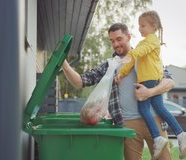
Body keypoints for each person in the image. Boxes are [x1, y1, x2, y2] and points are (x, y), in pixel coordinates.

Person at [62, 22, 174, 160]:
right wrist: (64, 63)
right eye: (112, 41)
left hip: (154, 119)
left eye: (119, 39)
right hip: (127, 123)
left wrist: (149, 93)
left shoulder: (145, 55)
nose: (115, 44)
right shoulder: (110, 65)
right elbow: (81, 81)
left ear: (128, 37)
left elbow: (169, 82)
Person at [116, 10, 186, 159]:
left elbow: (138, 53)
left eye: (143, 25)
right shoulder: (143, 42)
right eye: (139, 25)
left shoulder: (152, 40)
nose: (140, 28)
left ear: (153, 26)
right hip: (151, 78)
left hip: (149, 79)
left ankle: (158, 138)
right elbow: (132, 62)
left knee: (143, 108)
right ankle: (181, 134)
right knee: (160, 108)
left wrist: (131, 54)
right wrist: (121, 74)